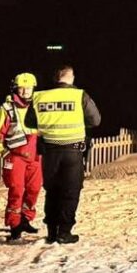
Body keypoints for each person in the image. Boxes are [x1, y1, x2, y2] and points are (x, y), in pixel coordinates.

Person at [33, 65, 102, 244]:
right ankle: (65, 231)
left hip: (49, 151)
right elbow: (95, 120)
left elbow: (29, 121)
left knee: (52, 191)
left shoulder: (39, 97)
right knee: (70, 192)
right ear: (70, 78)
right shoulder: (79, 95)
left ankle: (51, 232)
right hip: (72, 151)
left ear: (56, 78)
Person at [0, 72, 43, 243]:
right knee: (16, 191)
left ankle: (26, 219)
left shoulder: (38, 106)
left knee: (34, 189)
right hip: (16, 157)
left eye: (29, 88)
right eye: (22, 87)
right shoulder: (6, 109)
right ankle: (14, 226)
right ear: (16, 88)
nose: (26, 91)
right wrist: (5, 154)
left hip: (35, 157)